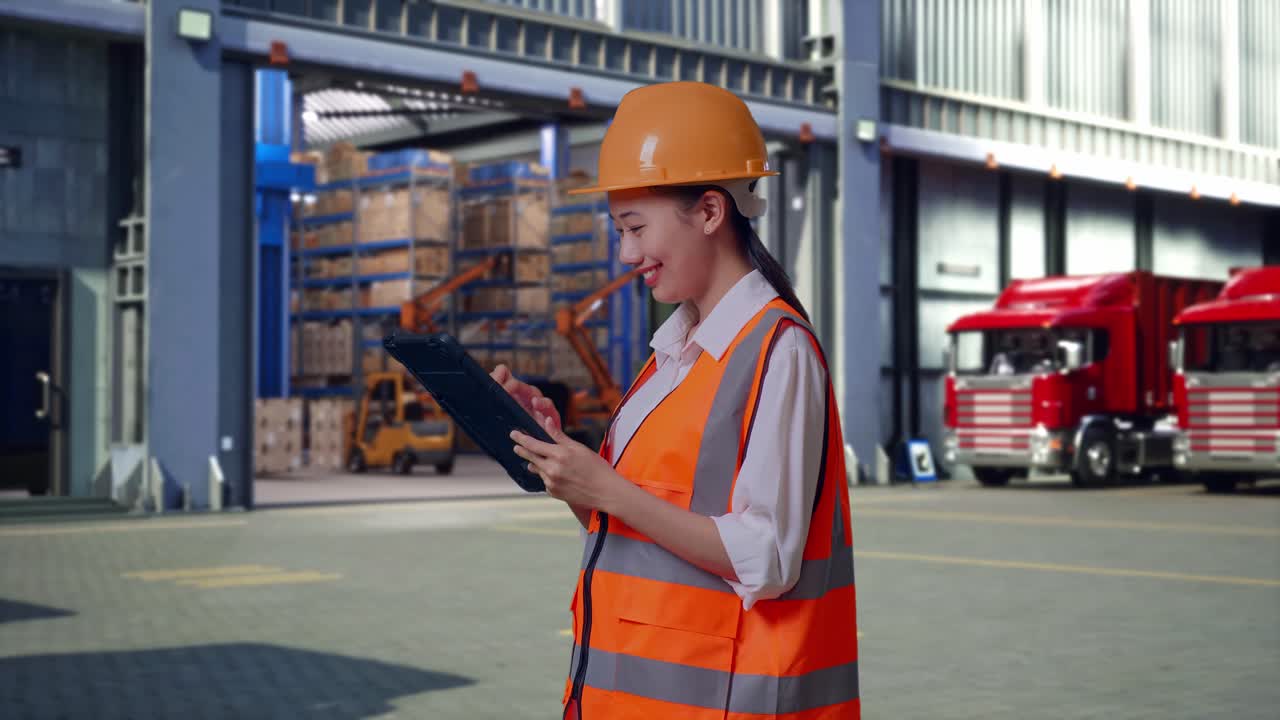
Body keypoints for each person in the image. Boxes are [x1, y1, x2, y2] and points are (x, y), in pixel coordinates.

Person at [494, 81, 860, 719]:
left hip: (725, 700)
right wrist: (569, 469)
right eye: (618, 230)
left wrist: (606, 488)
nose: (627, 253)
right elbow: (628, 531)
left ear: (712, 211)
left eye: (635, 227)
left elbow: (767, 558)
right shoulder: (671, 357)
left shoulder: (780, 352)